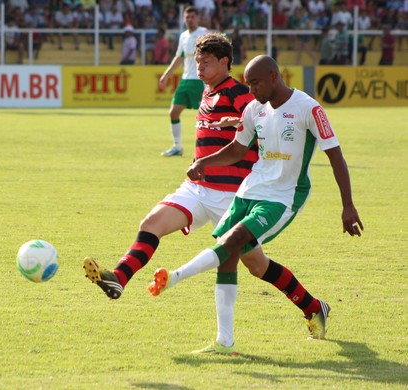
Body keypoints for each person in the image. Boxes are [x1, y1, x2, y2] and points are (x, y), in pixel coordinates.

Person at [149, 55, 363, 347]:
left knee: (231, 242)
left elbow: (335, 155)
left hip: (284, 195)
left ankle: (174, 278)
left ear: (274, 76)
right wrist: (205, 162)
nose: (251, 90)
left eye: (255, 83)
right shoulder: (254, 109)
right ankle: (301, 312)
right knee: (247, 261)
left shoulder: (308, 108)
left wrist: (347, 205)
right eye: (248, 83)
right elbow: (238, 149)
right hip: (249, 190)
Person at [84, 32, 260, 355]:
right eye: (197, 62)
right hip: (196, 188)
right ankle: (119, 278)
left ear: (224, 62)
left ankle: (311, 305)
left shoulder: (240, 94)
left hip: (231, 196)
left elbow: (262, 129)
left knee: (256, 265)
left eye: (206, 63)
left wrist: (237, 122)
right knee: (152, 222)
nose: (200, 68)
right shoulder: (206, 93)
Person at [159, 6, 209, 157]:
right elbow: (179, 57)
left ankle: (207, 149)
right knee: (173, 112)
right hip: (186, 80)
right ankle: (177, 146)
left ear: (197, 18)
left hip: (200, 81)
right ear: (183, 19)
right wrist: (166, 74)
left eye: (192, 17)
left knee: (206, 117)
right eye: (187, 17)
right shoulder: (183, 36)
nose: (190, 19)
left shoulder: (204, 33)